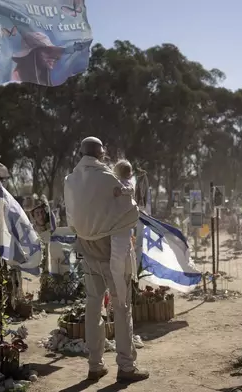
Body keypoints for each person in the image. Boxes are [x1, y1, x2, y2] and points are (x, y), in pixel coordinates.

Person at [64, 137, 149, 383]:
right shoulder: (107, 178)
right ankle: (126, 367)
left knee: (93, 307)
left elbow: (72, 218)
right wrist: (128, 191)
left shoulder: (70, 181)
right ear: (101, 154)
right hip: (113, 252)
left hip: (88, 252)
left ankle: (94, 365)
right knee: (122, 308)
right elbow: (130, 212)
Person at [111, 159, 137, 307]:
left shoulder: (126, 185)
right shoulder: (117, 183)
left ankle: (121, 301)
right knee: (120, 268)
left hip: (121, 232)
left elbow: (128, 190)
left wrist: (120, 191)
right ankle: (121, 300)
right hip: (120, 231)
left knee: (118, 269)